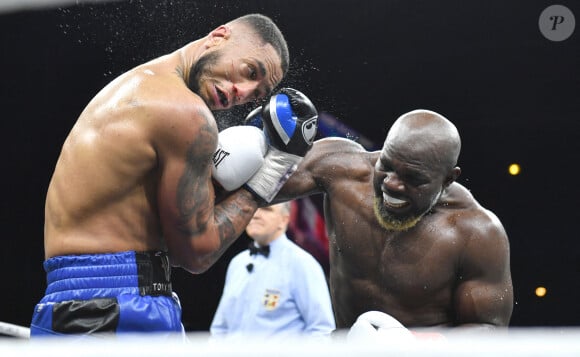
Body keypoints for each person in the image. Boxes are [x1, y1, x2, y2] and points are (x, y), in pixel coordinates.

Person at [31, 13, 319, 337]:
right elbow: (196, 253)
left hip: (73, 304)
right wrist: (271, 173)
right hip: (115, 308)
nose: (244, 91)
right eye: (250, 72)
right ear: (218, 36)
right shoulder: (186, 115)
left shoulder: (142, 85)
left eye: (255, 94)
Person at [273, 109, 514, 336]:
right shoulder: (341, 170)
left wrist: (414, 344)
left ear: (448, 179)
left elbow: (489, 331)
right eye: (386, 166)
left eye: (413, 178)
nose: (392, 184)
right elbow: (255, 186)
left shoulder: (476, 232)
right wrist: (258, 140)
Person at [210, 202, 336, 340]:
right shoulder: (237, 263)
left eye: (266, 209)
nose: (255, 215)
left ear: (284, 220)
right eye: (253, 209)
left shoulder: (302, 264)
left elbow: (321, 330)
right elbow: (219, 329)